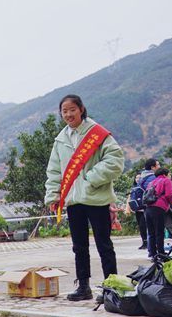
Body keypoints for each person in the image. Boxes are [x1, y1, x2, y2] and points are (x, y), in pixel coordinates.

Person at [44, 94, 124, 301]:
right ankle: (83, 286)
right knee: (79, 246)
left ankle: (111, 287)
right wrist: (53, 196)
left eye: (72, 109)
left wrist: (91, 177)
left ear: (81, 109)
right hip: (73, 200)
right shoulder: (60, 140)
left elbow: (115, 159)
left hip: (96, 198)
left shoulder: (97, 134)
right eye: (64, 111)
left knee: (103, 244)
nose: (68, 114)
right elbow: (54, 171)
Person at [144, 167, 172, 261]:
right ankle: (161, 254)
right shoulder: (166, 181)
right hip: (159, 208)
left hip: (148, 208)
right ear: (165, 174)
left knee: (151, 232)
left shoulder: (151, 182)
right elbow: (169, 194)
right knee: (159, 232)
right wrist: (171, 202)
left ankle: (153, 254)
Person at [128, 159, 159, 249]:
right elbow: (152, 192)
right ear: (152, 167)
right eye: (158, 165)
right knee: (153, 229)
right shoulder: (152, 177)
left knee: (148, 228)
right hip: (151, 205)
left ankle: (150, 248)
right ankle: (154, 249)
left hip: (143, 206)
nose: (159, 167)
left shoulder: (143, 177)